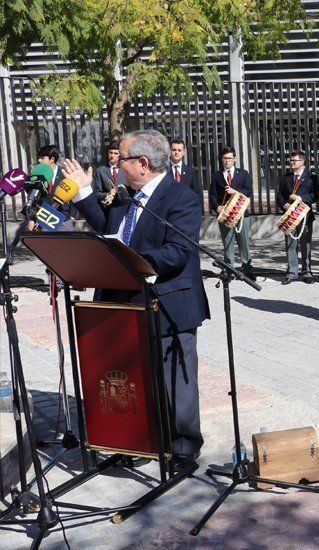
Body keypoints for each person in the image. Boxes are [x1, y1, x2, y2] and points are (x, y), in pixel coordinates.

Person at [62, 130, 210, 469]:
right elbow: (108, 229)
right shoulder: (125, 196)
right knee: (133, 379)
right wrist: (84, 192)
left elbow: (177, 251)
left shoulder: (181, 198)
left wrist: (127, 261)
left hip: (169, 303)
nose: (116, 166)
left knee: (176, 382)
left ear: (142, 164)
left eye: (122, 159)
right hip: (124, 302)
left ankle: (183, 448)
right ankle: (138, 441)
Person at [208, 147, 255, 280]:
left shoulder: (243, 173)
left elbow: (248, 190)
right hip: (225, 214)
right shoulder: (217, 175)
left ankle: (247, 268)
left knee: (243, 242)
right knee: (227, 242)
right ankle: (229, 269)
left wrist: (235, 192)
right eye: (224, 158)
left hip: (240, 213)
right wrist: (216, 207)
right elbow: (212, 194)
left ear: (234, 159)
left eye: (229, 158)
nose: (227, 161)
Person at [276, 150, 317, 284]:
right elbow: (279, 196)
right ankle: (292, 272)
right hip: (290, 217)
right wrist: (284, 205)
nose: (292, 163)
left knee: (306, 245)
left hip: (304, 216)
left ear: (302, 162)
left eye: (295, 161)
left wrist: (300, 199)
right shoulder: (286, 178)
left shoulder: (311, 177)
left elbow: (314, 195)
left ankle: (307, 272)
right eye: (291, 161)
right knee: (290, 245)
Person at [37, 144, 76, 228]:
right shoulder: (37, 174)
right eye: (39, 158)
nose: (39, 160)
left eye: (42, 158)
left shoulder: (65, 174)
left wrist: (71, 217)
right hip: (44, 217)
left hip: (63, 217)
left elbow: (74, 195)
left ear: (52, 159)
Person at [169, 138, 203, 207]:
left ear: (183, 152)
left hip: (186, 211)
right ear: (170, 151)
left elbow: (197, 194)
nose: (176, 152)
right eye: (174, 150)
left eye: (179, 150)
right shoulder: (162, 171)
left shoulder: (191, 172)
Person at [92, 141, 127, 206]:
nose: (112, 155)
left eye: (115, 153)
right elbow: (96, 194)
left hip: (124, 207)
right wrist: (108, 194)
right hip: (108, 209)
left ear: (120, 155)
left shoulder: (126, 169)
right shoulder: (100, 171)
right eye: (110, 153)